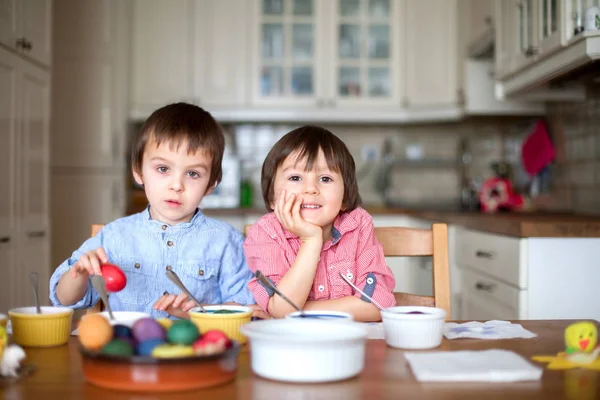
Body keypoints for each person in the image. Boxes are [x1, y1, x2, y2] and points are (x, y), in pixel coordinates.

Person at [50, 103, 256, 319]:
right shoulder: (114, 236)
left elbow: (244, 311)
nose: (177, 185)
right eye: (163, 169)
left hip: (197, 350)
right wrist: (80, 275)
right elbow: (63, 298)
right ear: (138, 172)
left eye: (193, 174)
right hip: (128, 350)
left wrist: (192, 312)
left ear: (211, 184)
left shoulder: (226, 241)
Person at [244, 126, 396, 321]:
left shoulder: (358, 225)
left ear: (345, 198)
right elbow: (281, 308)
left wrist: (299, 310)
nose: (310, 189)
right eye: (295, 178)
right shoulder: (266, 232)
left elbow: (379, 304)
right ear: (273, 199)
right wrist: (311, 239)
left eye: (325, 178)